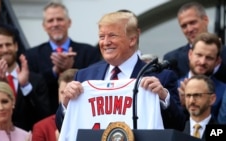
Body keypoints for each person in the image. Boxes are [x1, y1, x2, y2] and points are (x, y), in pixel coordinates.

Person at [58, 11, 186, 141]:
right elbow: (62, 127)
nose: (105, 42)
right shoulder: (85, 76)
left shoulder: (161, 77)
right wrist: (66, 104)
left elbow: (178, 125)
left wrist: (164, 98)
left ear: (132, 39)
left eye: (112, 35)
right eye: (101, 37)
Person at [25, 1, 101, 114]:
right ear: (44, 26)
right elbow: (32, 90)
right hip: (46, 117)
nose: (55, 24)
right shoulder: (32, 56)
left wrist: (71, 69)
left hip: (83, 113)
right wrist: (54, 71)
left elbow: (96, 83)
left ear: (69, 22)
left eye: (59, 19)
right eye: (50, 20)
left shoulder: (89, 52)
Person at [0, 27, 51, 131]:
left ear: (16, 46)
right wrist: (3, 87)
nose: (5, 50)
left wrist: (25, 86)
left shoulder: (35, 79)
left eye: (8, 44)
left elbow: (44, 115)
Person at [163, 2, 226, 83]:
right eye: (184, 26)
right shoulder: (172, 59)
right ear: (190, 54)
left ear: (205, 20)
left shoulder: (224, 53)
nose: (189, 29)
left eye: (192, 22)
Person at [178, 32, 226, 122]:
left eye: (209, 58)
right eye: (199, 55)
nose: (202, 61)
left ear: (217, 61)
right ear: (190, 54)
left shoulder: (224, 91)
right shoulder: (173, 86)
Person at [32, 68, 78, 141]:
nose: (66, 97)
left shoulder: (92, 123)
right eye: (63, 92)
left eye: (71, 92)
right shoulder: (42, 128)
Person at [182, 75, 217, 140]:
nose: (191, 101)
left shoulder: (218, 131)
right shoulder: (178, 129)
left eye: (197, 95)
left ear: (212, 99)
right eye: (188, 95)